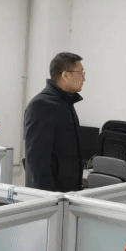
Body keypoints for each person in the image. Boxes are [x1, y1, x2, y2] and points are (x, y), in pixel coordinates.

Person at [24, 52, 87, 192]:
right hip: (50, 198)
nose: (84, 78)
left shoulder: (66, 104)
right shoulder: (41, 105)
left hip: (66, 195)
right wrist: (50, 200)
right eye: (81, 73)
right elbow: (37, 161)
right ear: (65, 75)